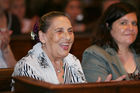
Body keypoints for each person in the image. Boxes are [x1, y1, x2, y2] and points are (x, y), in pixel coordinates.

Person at [12, 11, 86, 84]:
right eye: (59, 31)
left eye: (70, 31)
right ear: (42, 37)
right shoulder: (27, 66)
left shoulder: (73, 62)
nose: (68, 37)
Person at [82, 2, 140, 82]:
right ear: (108, 26)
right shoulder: (95, 54)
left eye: (134, 23)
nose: (131, 28)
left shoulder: (138, 52)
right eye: (123, 23)